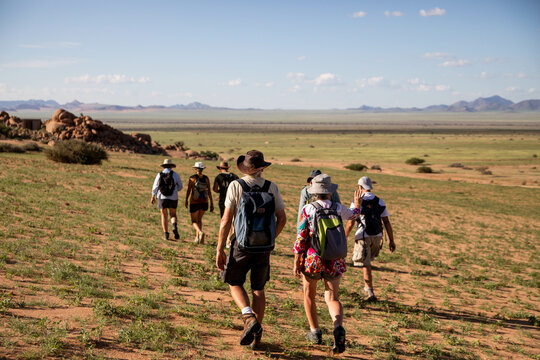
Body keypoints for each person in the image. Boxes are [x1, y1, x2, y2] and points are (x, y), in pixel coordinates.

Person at [216, 150, 287, 349]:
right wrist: (269, 239)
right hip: (264, 247)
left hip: (240, 244)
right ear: (262, 168)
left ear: (245, 168)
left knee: (233, 281)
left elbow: (226, 220)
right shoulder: (271, 187)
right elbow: (282, 219)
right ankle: (257, 337)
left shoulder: (236, 185)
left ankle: (248, 316)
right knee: (258, 289)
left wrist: (220, 248)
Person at [294, 174, 361, 354]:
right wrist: (357, 203)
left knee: (309, 295)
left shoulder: (308, 209)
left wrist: (296, 260)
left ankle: (315, 332)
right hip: (334, 259)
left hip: (312, 259)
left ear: (313, 192)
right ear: (329, 191)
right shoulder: (338, 207)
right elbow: (354, 214)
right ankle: (338, 326)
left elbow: (301, 237)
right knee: (333, 297)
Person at [345, 176, 396, 302]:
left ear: (360, 187)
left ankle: (370, 291)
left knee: (365, 264)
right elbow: (387, 222)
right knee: (367, 262)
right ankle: (367, 288)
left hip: (363, 235)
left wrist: (344, 237)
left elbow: (351, 222)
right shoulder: (380, 201)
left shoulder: (357, 202)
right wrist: (391, 240)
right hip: (377, 236)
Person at [150, 159, 183, 240]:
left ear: (163, 166)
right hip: (173, 197)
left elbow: (155, 186)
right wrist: (174, 190)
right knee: (173, 214)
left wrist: (153, 196)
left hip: (162, 197)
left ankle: (166, 234)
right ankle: (174, 225)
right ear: (171, 166)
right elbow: (180, 186)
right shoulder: (175, 174)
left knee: (164, 215)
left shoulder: (159, 174)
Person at [185, 161, 214, 244]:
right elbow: (209, 191)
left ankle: (200, 233)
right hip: (204, 201)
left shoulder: (192, 178)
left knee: (194, 221)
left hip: (194, 202)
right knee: (199, 219)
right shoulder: (206, 178)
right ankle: (197, 238)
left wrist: (186, 200)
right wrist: (211, 203)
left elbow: (188, 190)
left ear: (195, 169)